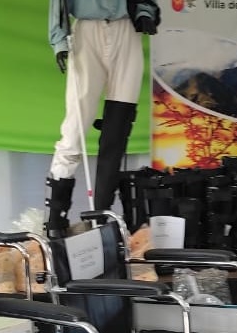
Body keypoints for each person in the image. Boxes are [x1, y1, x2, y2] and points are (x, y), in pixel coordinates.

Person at [45, 0, 161, 237]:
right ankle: (56, 220)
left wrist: (145, 12)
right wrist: (59, 40)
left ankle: (101, 218)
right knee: (75, 127)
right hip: (87, 30)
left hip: (126, 29)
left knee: (118, 127)